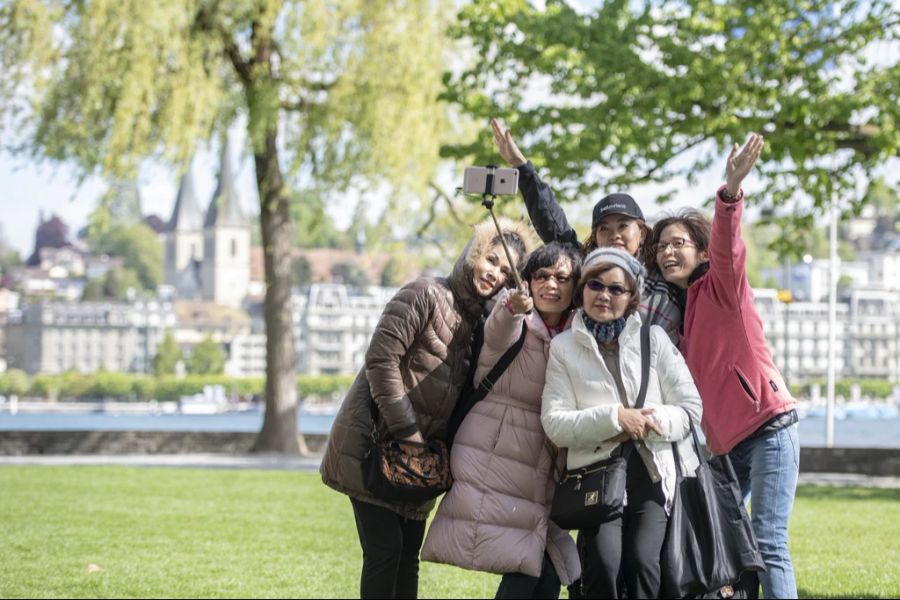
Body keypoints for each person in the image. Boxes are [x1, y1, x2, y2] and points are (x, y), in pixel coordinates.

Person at [320, 216, 537, 600]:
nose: (494, 273)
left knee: (407, 559)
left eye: (505, 271)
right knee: (385, 552)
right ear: (474, 253)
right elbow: (381, 362)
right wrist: (409, 435)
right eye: (491, 260)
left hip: (419, 464)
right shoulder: (423, 293)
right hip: (375, 446)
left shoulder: (478, 323)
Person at [646, 133, 799, 599]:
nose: (668, 252)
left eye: (678, 244)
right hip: (724, 447)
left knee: (769, 541)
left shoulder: (722, 286)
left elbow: (729, 243)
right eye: (661, 247)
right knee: (722, 539)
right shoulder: (679, 310)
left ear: (700, 251)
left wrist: (730, 192)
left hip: (770, 429)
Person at [420, 242, 583, 599]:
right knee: (526, 566)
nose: (550, 285)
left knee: (546, 569)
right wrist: (512, 307)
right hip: (498, 455)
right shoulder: (516, 319)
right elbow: (499, 330)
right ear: (527, 282)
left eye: (561, 277)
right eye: (541, 276)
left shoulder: (579, 334)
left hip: (545, 463)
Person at [540, 247, 702, 599]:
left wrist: (651, 420)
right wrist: (616, 418)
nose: (604, 295)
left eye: (616, 289)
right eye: (595, 285)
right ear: (582, 290)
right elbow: (555, 423)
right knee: (604, 566)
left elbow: (690, 408)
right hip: (596, 474)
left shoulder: (653, 339)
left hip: (652, 471)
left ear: (631, 298)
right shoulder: (564, 348)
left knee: (645, 564)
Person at [490, 118, 683, 345]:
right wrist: (521, 166)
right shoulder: (586, 272)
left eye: (623, 225)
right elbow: (554, 226)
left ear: (641, 232)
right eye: (604, 228)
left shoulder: (663, 279)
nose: (614, 234)